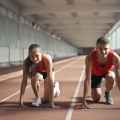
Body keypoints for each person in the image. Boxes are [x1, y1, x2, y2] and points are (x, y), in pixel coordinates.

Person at [82, 37, 120, 108]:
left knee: (111, 77)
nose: (103, 52)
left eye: (106, 49)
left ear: (109, 48)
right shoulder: (90, 57)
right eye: (100, 49)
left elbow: (118, 79)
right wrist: (84, 99)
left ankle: (108, 93)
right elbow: (87, 79)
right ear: (96, 48)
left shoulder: (115, 57)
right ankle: (95, 91)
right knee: (96, 98)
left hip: (107, 72)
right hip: (95, 74)